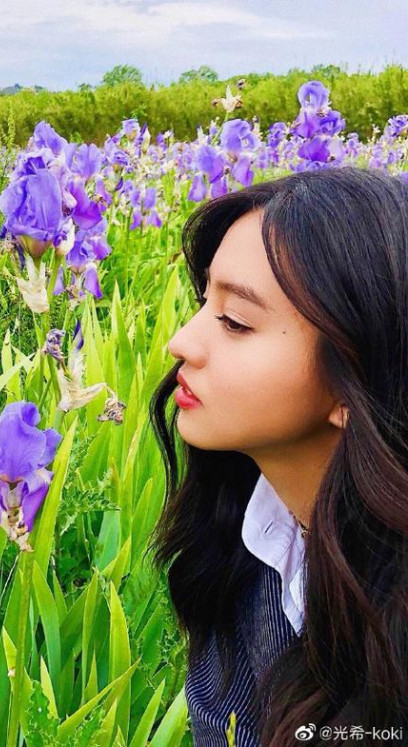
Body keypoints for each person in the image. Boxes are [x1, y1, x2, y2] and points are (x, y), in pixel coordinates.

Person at [147, 166, 408, 746]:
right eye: (204, 301)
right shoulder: (243, 540)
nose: (181, 342)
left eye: (235, 321)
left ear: (358, 380)